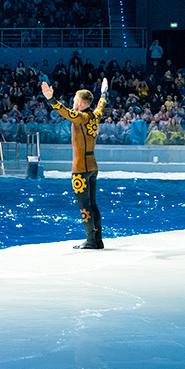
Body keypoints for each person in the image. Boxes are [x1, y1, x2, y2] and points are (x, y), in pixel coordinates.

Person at [41, 77, 109, 249]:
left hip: (80, 168)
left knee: (84, 206)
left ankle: (91, 241)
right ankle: (98, 239)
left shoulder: (81, 117)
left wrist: (50, 99)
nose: (72, 103)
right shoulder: (95, 115)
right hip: (93, 166)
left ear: (79, 102)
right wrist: (104, 92)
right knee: (93, 204)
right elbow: (101, 104)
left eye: (74, 101)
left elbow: (64, 112)